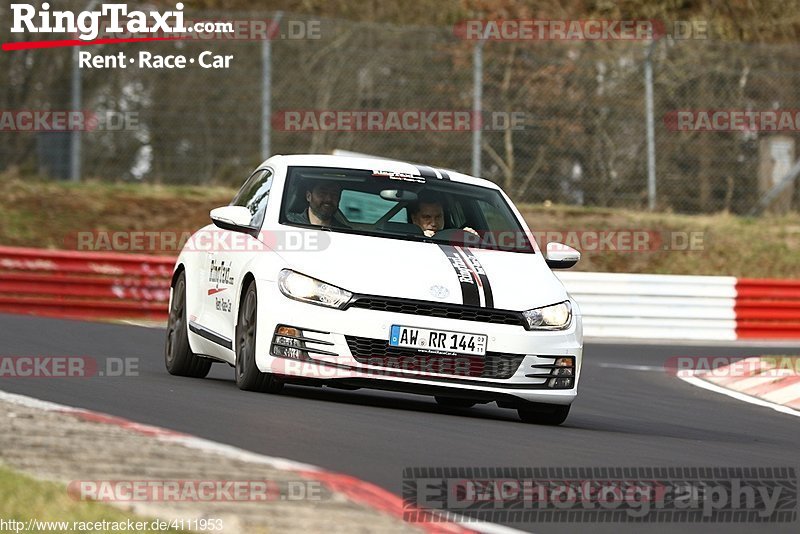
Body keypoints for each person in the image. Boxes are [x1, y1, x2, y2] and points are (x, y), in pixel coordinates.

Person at [408, 192, 478, 237]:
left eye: (438, 217)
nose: (434, 223)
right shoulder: (404, 241)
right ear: (414, 219)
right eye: (427, 217)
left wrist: (471, 237)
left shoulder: (455, 239)